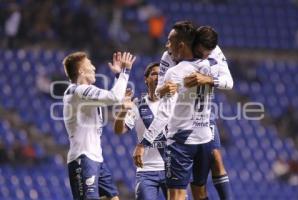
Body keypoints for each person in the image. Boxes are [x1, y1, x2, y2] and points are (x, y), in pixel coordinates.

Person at [134, 21, 215, 200]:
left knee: (177, 195)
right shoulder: (207, 67)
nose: (166, 45)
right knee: (200, 193)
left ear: (181, 45)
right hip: (205, 139)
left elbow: (164, 114)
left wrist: (143, 144)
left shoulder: (176, 72)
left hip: (181, 141)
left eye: (170, 41)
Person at [157, 25, 234, 200]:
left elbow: (229, 81)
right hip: (180, 122)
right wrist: (165, 89)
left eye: (208, 53)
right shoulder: (169, 55)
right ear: (193, 45)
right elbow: (159, 89)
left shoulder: (214, 52)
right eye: (201, 52)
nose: (204, 57)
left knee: (215, 159)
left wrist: (208, 79)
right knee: (189, 187)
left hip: (202, 119)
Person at [62, 51, 136, 200]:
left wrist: (118, 76)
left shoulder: (83, 94)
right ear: (81, 71)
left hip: (96, 159)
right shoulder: (77, 91)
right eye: (90, 64)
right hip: (83, 159)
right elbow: (114, 97)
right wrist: (125, 71)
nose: (94, 68)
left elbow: (115, 97)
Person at [114, 62, 168, 200]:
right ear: (146, 79)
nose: (157, 77)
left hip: (171, 168)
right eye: (154, 73)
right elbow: (119, 130)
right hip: (146, 170)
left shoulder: (172, 104)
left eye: (161, 74)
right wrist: (123, 110)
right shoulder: (137, 105)